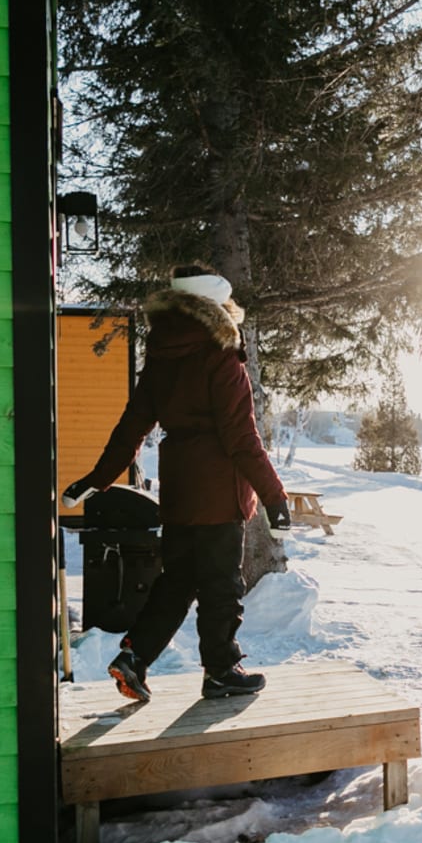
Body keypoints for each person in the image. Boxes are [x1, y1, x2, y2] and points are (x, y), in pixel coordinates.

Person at [62, 265, 291, 703]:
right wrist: (274, 498)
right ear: (216, 308)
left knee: (178, 580)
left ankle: (135, 655)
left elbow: (133, 426)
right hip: (219, 490)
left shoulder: (164, 353)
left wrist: (99, 478)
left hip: (180, 487)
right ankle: (222, 670)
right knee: (222, 585)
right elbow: (242, 439)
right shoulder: (221, 356)